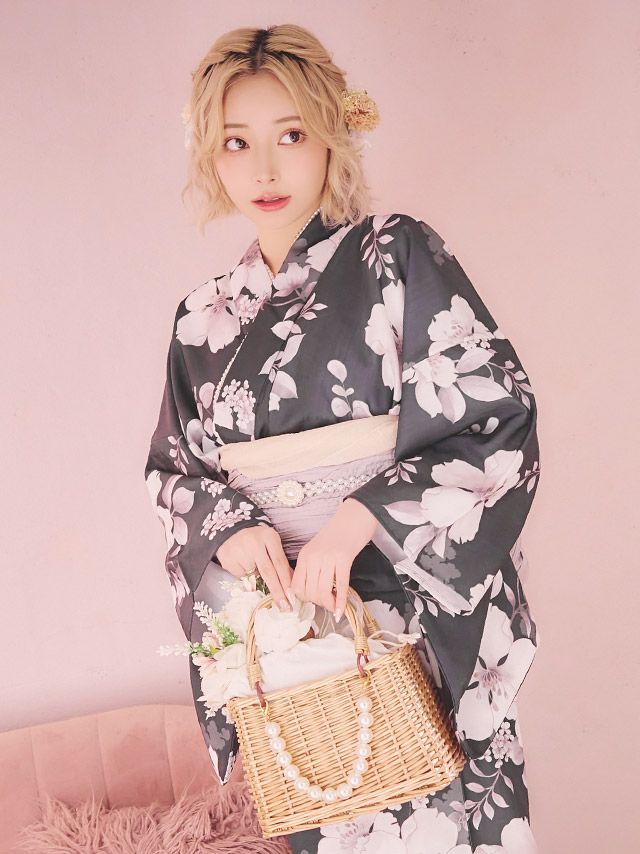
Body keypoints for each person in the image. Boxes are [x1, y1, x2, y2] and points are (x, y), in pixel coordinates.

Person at [144, 23, 542, 853]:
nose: (264, 169)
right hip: (297, 638)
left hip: (406, 616)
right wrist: (228, 528)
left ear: (333, 132)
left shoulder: (396, 254)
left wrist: (360, 517)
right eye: (236, 142)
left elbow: (494, 418)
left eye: (291, 135)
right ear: (209, 155)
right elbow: (175, 473)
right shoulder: (200, 320)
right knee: (325, 814)